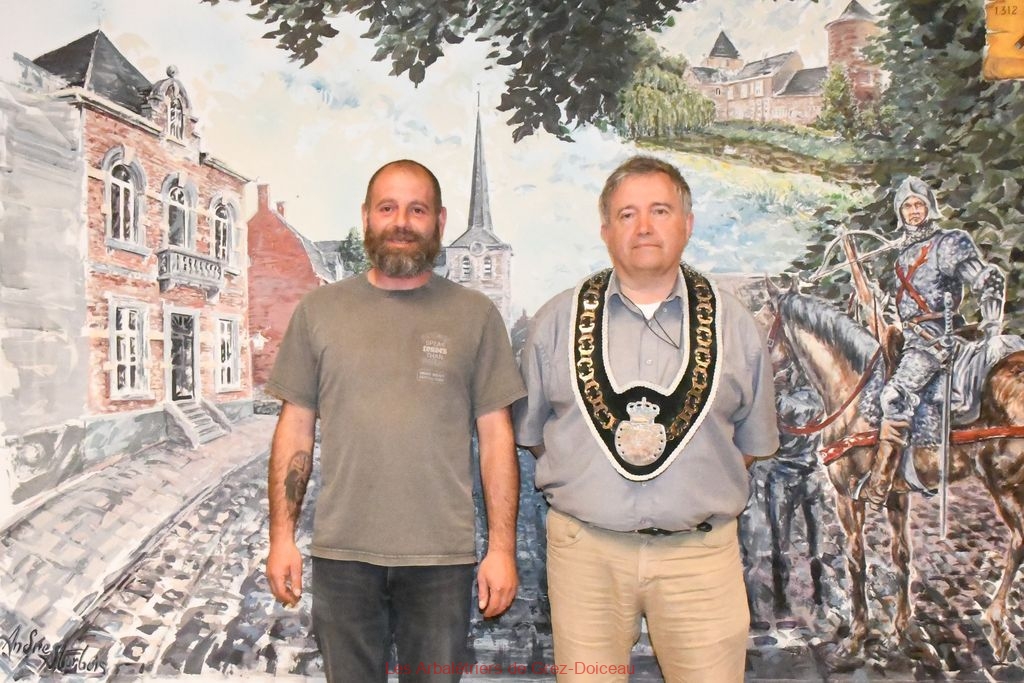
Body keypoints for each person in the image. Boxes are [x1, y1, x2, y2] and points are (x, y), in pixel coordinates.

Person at [514, 155, 779, 682]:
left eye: (660, 210)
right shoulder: (555, 322)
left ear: (688, 224)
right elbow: (537, 436)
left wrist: (688, 489)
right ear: (606, 230)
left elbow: (749, 444)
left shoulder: (737, 326)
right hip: (586, 557)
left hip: (700, 559)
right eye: (627, 214)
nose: (644, 227)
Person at [265, 159, 526, 682]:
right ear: (366, 216)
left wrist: (502, 549)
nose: (401, 222)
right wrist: (281, 538)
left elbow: (497, 439)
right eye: (387, 208)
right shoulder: (320, 311)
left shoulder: (475, 316)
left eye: (417, 210)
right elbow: (295, 430)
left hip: (440, 561)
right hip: (344, 557)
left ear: (439, 221)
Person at [856, 176, 1007, 506]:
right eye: (907, 206)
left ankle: (880, 483)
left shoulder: (948, 243)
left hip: (936, 340)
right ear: (900, 212)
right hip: (909, 340)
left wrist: (993, 327)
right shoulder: (901, 257)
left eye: (919, 205)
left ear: (929, 208)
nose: (913, 211)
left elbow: (989, 279)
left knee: (893, 395)